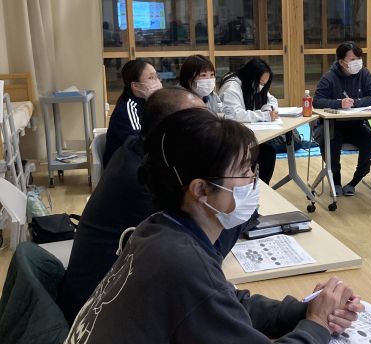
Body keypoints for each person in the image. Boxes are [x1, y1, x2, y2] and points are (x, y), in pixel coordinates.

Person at [27, 108, 364, 344]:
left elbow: (224, 301)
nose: (254, 182)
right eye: (245, 173)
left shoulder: (159, 230)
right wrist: (316, 326)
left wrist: (303, 310)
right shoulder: (180, 261)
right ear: (201, 190)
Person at [58, 87, 250, 324]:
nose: (209, 127)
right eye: (199, 122)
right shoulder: (145, 183)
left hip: (101, 298)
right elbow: (204, 251)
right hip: (97, 313)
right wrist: (238, 210)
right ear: (172, 131)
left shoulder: (138, 151)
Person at [312, 41, 371, 196]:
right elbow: (317, 101)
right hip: (332, 125)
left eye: (359, 59)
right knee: (331, 145)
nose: (357, 62)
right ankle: (335, 181)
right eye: (352, 59)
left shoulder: (364, 73)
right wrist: (339, 103)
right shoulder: (329, 77)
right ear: (342, 62)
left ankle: (354, 181)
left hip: (356, 124)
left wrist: (355, 102)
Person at [219, 58, 279, 184]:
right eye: (260, 82)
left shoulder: (253, 85)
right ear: (251, 76)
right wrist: (264, 115)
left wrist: (269, 108)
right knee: (264, 154)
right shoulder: (232, 87)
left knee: (269, 152)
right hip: (232, 138)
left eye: (264, 84)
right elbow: (235, 115)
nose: (261, 87)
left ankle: (261, 187)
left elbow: (272, 99)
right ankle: (252, 187)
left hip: (249, 134)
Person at [104, 59, 161, 167]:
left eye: (157, 77)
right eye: (151, 78)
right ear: (135, 86)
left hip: (140, 162)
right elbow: (138, 145)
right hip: (123, 169)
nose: (157, 82)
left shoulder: (150, 104)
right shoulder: (127, 109)